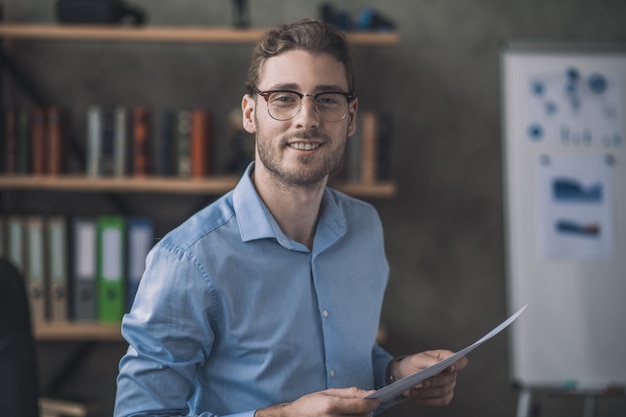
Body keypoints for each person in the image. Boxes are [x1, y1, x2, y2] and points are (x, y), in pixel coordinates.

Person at [114, 18, 467, 417]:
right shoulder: (189, 260)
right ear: (250, 114)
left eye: (327, 98)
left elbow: (344, 353)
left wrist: (394, 372)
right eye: (284, 98)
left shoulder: (365, 227)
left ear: (351, 117)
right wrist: (282, 416)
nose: (307, 119)